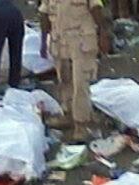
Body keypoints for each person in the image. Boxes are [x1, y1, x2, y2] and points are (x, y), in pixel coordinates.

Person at [40, 0, 111, 140]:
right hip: (59, 39)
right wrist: (43, 41)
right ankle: (68, 114)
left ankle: (81, 124)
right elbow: (44, 14)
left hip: (81, 38)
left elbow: (96, 9)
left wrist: (103, 34)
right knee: (64, 80)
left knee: (80, 83)